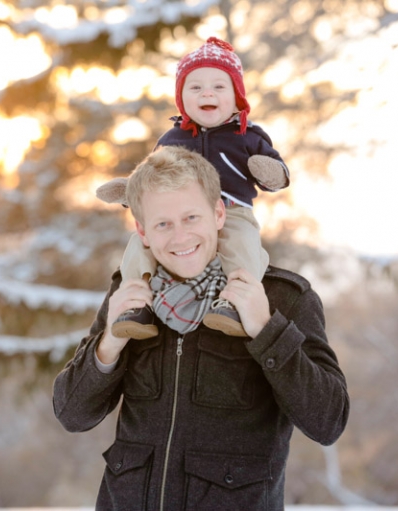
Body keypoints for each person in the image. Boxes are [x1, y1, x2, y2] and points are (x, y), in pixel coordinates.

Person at [53, 146, 349, 510]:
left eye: (191, 217)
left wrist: (266, 329)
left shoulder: (283, 297)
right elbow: (72, 414)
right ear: (143, 231)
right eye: (163, 224)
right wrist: (109, 341)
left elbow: (328, 421)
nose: (180, 237)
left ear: (219, 213)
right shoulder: (131, 294)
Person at [96, 37, 289, 340]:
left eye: (219, 87)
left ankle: (234, 302)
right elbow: (152, 177)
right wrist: (129, 191)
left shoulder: (247, 136)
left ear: (237, 97)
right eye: (195, 87)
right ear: (182, 97)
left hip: (234, 210)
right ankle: (137, 303)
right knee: (139, 244)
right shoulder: (172, 139)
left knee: (242, 244)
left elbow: (276, 175)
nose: (207, 93)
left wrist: (269, 170)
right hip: (178, 215)